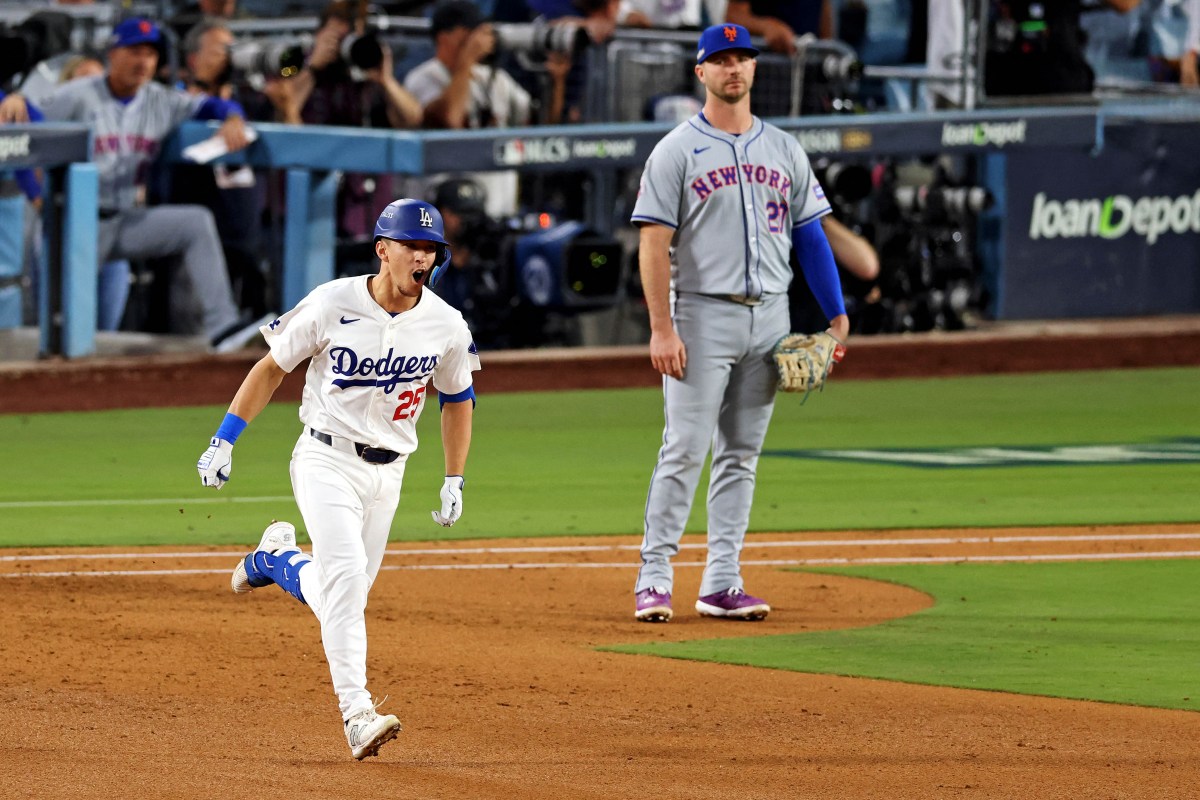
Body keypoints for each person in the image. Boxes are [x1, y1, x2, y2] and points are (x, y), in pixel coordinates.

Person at [195, 197, 481, 760]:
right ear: (383, 250)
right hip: (325, 460)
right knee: (347, 580)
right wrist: (224, 438)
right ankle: (357, 714)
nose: (423, 259)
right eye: (412, 247)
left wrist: (454, 478)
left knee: (340, 597)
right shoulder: (333, 303)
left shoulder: (445, 324)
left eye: (432, 250)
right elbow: (271, 366)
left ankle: (276, 560)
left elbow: (458, 399)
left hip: (390, 474)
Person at [629, 23, 849, 622]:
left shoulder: (783, 148)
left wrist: (835, 314)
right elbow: (653, 244)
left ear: (755, 69)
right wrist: (661, 327)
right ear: (700, 72)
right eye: (721, 59)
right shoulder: (676, 150)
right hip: (701, 314)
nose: (734, 68)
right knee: (685, 448)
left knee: (742, 453)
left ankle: (722, 581)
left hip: (771, 317)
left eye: (743, 58)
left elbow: (810, 236)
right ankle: (654, 578)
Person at [0, 17, 266, 351]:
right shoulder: (78, 94)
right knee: (61, 337)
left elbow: (214, 104)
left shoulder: (162, 100)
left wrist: (233, 116)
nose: (143, 61)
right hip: (74, 226)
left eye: (150, 55)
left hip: (125, 221)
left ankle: (223, 327)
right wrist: (17, 104)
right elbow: (25, 132)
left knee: (195, 223)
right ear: (113, 53)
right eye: (134, 51)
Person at [404, 0, 570, 217]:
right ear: (445, 37)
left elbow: (543, 126)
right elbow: (450, 121)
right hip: (442, 217)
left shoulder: (495, 79)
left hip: (499, 212)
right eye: (470, 32)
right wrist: (466, 61)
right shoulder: (422, 78)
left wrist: (557, 82)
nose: (480, 39)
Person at [724, 0, 833, 54]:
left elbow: (823, 12)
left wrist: (826, 49)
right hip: (767, 70)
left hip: (809, 65)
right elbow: (734, 16)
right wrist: (767, 26)